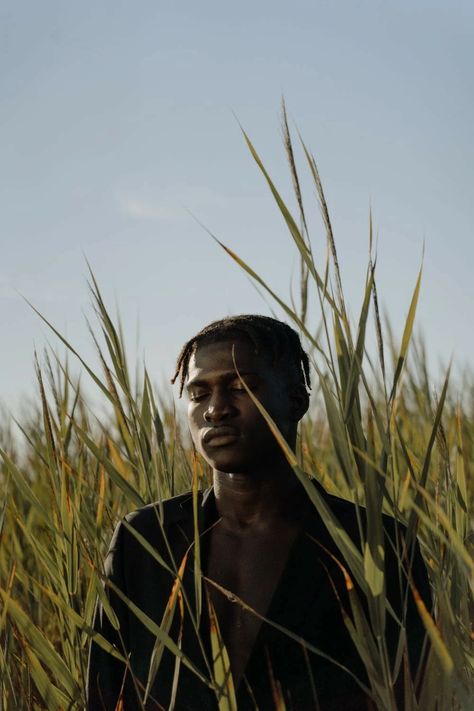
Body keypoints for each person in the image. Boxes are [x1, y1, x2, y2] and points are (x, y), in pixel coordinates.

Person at [87, 315, 430, 710]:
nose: (216, 410)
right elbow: (105, 693)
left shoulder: (373, 542)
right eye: (198, 394)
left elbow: (415, 693)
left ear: (296, 401)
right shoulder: (144, 540)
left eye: (240, 387)